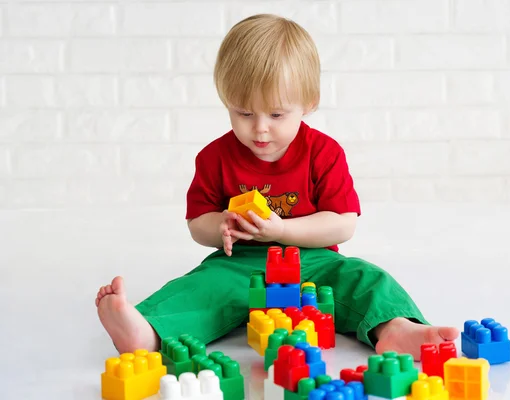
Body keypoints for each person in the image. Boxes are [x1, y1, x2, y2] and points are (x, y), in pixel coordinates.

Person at [95, 13, 458, 360]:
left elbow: (343, 223)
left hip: (314, 261)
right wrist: (219, 224)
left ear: (309, 104)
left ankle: (396, 328)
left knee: (365, 278)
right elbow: (198, 223)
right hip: (241, 264)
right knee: (202, 287)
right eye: (245, 113)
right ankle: (147, 331)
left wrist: (283, 229)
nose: (260, 129)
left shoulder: (324, 153)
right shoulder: (214, 157)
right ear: (227, 103)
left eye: (277, 114)